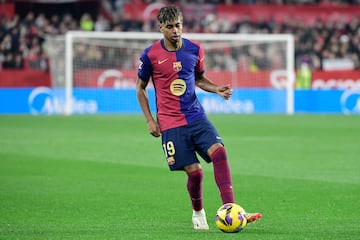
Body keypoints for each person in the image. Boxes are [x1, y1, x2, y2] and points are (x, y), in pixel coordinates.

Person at [136, 5, 262, 230]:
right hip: (170, 123)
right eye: (170, 27)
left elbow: (199, 79)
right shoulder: (150, 55)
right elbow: (140, 88)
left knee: (220, 153)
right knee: (195, 173)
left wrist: (216, 90)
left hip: (196, 116)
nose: (175, 30)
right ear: (160, 27)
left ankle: (230, 209)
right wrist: (149, 119)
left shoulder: (195, 49)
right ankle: (198, 212)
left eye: (178, 25)